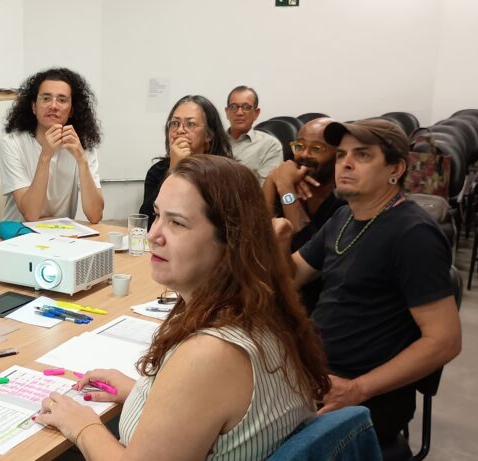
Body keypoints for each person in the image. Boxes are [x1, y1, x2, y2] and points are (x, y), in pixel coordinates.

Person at [35, 156, 331, 460]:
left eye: (176, 223)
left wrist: (82, 425)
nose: (153, 235)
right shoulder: (261, 309)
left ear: (230, 241)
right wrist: (144, 393)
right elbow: (214, 405)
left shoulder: (209, 354)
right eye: (157, 215)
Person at [280, 118, 462, 449]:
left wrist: (359, 388)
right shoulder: (345, 216)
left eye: (362, 155)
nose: (345, 163)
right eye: (341, 155)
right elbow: (291, 276)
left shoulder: (413, 235)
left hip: (363, 398)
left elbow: (445, 341)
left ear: (395, 168)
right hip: (315, 375)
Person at [0, 68, 104, 223]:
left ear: (71, 110)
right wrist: (46, 155)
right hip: (20, 235)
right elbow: (31, 215)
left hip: (62, 236)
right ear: (34, 107)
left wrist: (81, 160)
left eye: (62, 100)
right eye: (46, 98)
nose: (53, 106)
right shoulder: (13, 143)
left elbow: (95, 215)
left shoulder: (81, 145)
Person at [262, 117, 345, 312]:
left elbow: (309, 252)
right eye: (299, 146)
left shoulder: (343, 202)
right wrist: (271, 182)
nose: (304, 155)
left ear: (338, 156)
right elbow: (255, 237)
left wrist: (286, 189)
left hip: (315, 305)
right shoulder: (283, 182)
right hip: (273, 296)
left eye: (316, 149)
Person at [138, 95, 232, 229]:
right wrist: (173, 170)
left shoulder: (225, 172)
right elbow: (146, 223)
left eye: (190, 124)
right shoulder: (158, 171)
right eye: (175, 123)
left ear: (208, 135)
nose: (180, 130)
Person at [226, 85, 283, 184]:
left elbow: (266, 190)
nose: (239, 113)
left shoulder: (270, 145)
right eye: (233, 107)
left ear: (256, 113)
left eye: (246, 107)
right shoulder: (213, 140)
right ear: (227, 112)